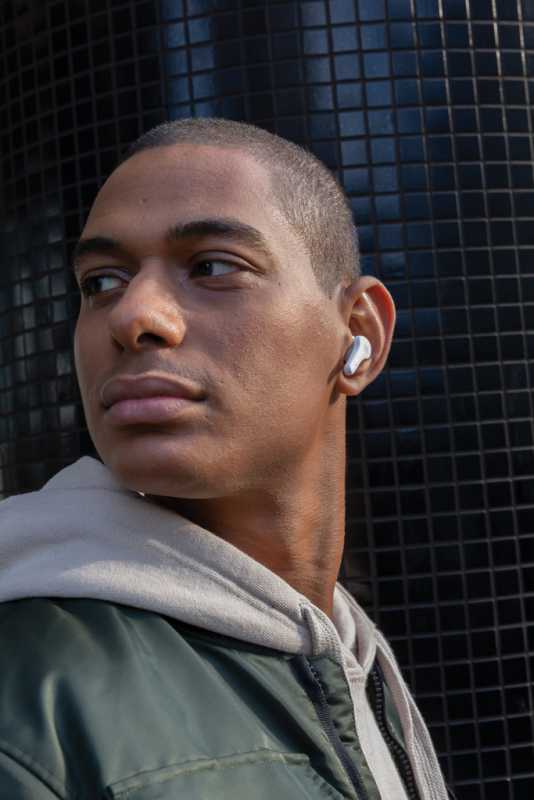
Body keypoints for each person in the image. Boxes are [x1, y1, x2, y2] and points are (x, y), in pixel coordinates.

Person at [0, 118, 450, 799]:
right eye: (101, 281)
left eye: (212, 267)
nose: (132, 316)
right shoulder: (30, 697)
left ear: (359, 335)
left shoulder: (350, 658)